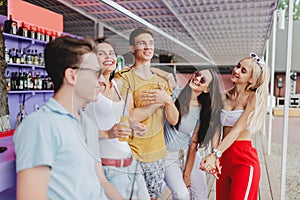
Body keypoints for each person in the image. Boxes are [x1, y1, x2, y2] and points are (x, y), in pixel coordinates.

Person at [13, 36, 123, 200]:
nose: (101, 80)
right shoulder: (39, 126)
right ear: (72, 76)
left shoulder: (87, 124)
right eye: (96, 72)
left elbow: (101, 181)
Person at [114, 27, 179, 200]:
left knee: (153, 197)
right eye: (142, 43)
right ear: (132, 48)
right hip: (133, 152)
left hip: (157, 153)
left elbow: (174, 120)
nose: (148, 47)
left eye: (150, 43)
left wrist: (168, 100)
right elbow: (129, 117)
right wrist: (158, 103)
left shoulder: (160, 81)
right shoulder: (123, 78)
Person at [85, 38, 150, 199]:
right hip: (108, 169)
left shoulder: (117, 85)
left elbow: (121, 117)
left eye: (111, 53)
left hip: (131, 163)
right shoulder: (88, 89)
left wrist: (134, 125)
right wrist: (107, 133)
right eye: (102, 53)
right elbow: (77, 129)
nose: (109, 56)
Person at [200, 53, 270, 200]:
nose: (236, 70)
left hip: (243, 159)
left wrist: (214, 155)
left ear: (251, 79)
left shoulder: (253, 98)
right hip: (223, 155)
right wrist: (215, 155)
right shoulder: (222, 95)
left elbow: (237, 130)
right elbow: (215, 128)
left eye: (243, 70)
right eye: (238, 66)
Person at [162, 69, 222, 200]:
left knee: (200, 194)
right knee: (181, 194)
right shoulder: (174, 94)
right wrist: (167, 75)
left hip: (187, 153)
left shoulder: (202, 110)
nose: (197, 78)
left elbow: (194, 144)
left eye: (203, 79)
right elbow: (150, 68)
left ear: (207, 90)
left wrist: (187, 174)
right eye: (197, 74)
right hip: (167, 155)